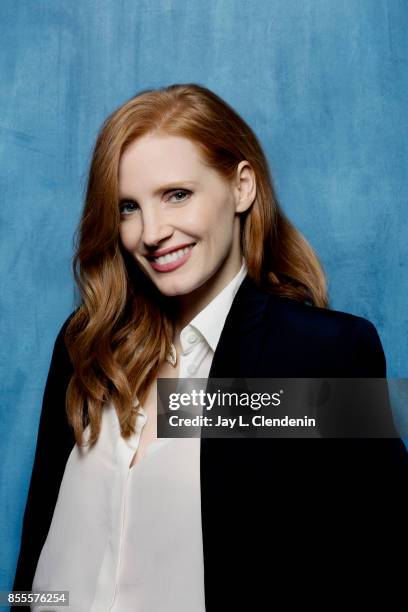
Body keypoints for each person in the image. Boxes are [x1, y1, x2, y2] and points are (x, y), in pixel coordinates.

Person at [13, 83, 408, 611]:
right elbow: (38, 546)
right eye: (128, 207)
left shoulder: (317, 355)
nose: (152, 232)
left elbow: (382, 570)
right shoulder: (87, 341)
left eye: (177, 194)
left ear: (242, 187)